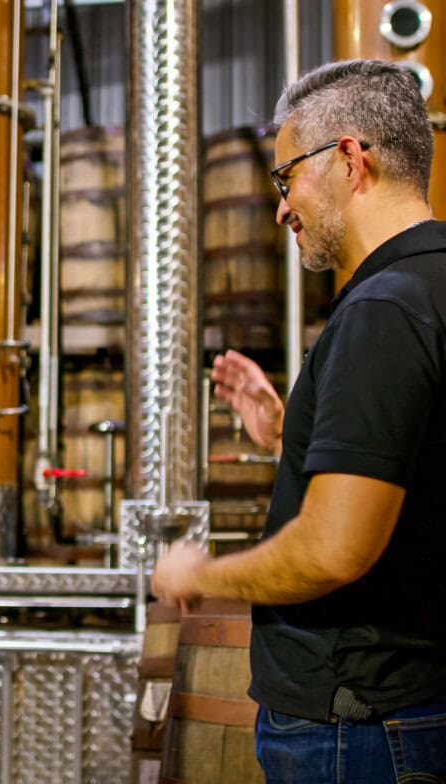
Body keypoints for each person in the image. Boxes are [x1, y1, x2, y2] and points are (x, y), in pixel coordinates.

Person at [152, 58, 446, 781]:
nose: (280, 209)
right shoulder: (431, 285)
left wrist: (204, 571)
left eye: (286, 178)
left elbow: (332, 551)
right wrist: (292, 433)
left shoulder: (383, 308)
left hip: (361, 728)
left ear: (348, 159)